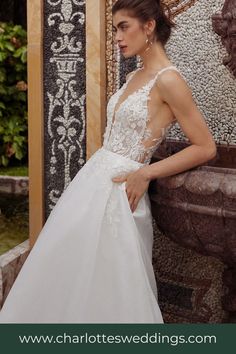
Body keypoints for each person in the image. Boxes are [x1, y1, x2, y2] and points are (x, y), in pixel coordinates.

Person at [0, 0, 216, 323]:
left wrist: (146, 173)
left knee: (113, 289)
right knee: (69, 278)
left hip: (120, 197)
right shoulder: (136, 76)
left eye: (123, 26)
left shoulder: (169, 80)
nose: (117, 36)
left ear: (149, 26)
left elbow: (205, 146)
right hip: (92, 187)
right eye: (115, 28)